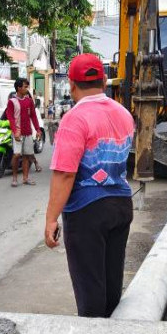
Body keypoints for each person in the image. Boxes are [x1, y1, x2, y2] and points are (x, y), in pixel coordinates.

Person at [44, 54, 135, 318]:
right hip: (121, 205)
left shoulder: (75, 118)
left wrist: (51, 219)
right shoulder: (124, 114)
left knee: (90, 291)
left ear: (72, 84)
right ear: (104, 81)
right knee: (111, 283)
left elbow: (64, 174)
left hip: (87, 212)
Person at [5, 78, 40, 187]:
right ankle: (15, 178)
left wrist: (38, 130)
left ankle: (25, 178)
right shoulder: (12, 102)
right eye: (25, 87)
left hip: (28, 132)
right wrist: (15, 131)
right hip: (17, 133)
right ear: (19, 88)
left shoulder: (29, 101)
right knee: (16, 155)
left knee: (26, 156)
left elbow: (33, 116)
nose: (27, 89)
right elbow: (10, 118)